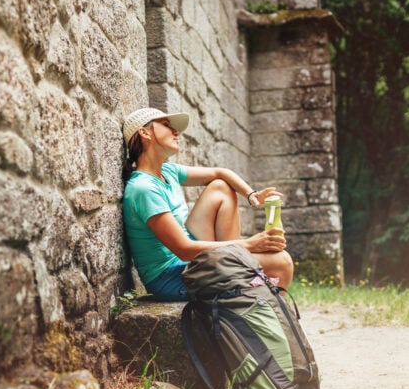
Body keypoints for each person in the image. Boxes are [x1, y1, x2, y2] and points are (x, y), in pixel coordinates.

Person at [121, 107, 293, 301]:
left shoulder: (168, 172)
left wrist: (251, 195)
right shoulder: (143, 188)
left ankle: (235, 267)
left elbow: (220, 173)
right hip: (172, 277)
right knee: (282, 263)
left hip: (190, 262)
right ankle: (263, 315)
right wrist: (250, 244)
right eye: (167, 126)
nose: (176, 132)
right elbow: (184, 250)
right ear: (144, 133)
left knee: (221, 187)